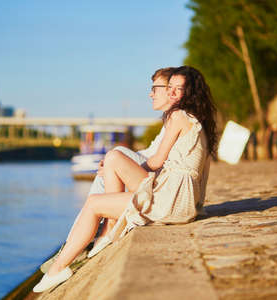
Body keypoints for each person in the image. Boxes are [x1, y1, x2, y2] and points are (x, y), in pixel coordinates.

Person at [33, 66, 218, 293]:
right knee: (114, 157)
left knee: (95, 201)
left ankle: (59, 268)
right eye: (170, 87)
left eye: (178, 90)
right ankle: (107, 231)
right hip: (177, 197)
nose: (171, 93)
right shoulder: (197, 121)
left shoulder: (178, 116)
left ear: (190, 93)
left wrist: (127, 168)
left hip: (171, 199)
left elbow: (157, 160)